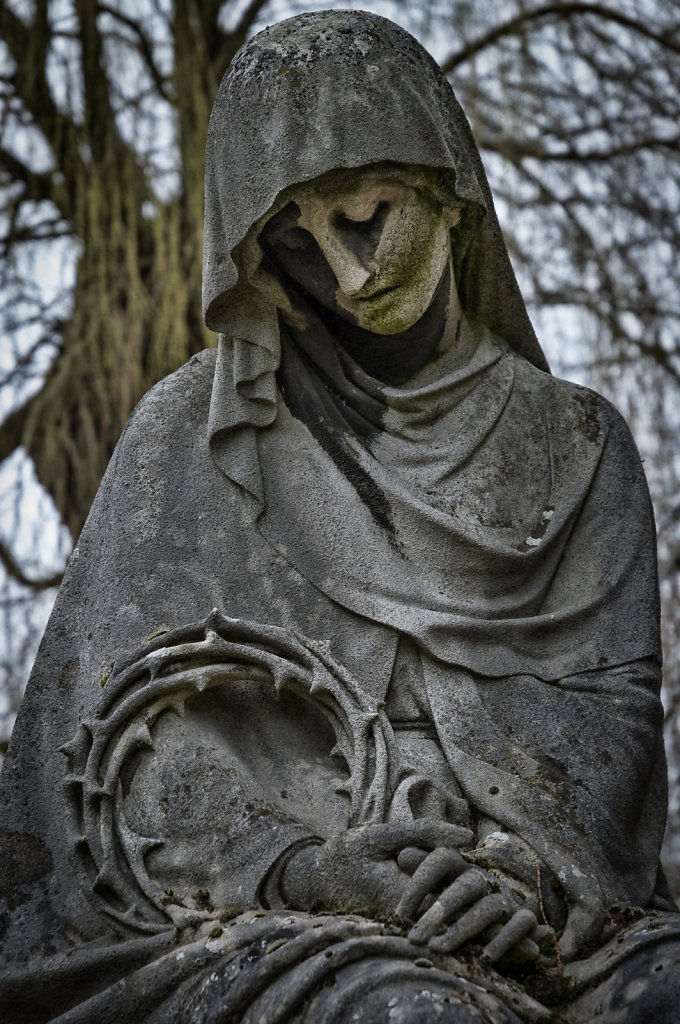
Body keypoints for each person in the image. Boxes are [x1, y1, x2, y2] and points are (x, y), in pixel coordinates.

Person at [1, 11, 678, 1023]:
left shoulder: (576, 447)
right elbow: (106, 745)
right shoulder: (192, 435)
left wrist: (520, 873)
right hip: (283, 910)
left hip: (533, 906)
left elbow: (609, 744)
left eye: (367, 213)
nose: (347, 273)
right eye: (295, 241)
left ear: (448, 193)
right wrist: (306, 867)